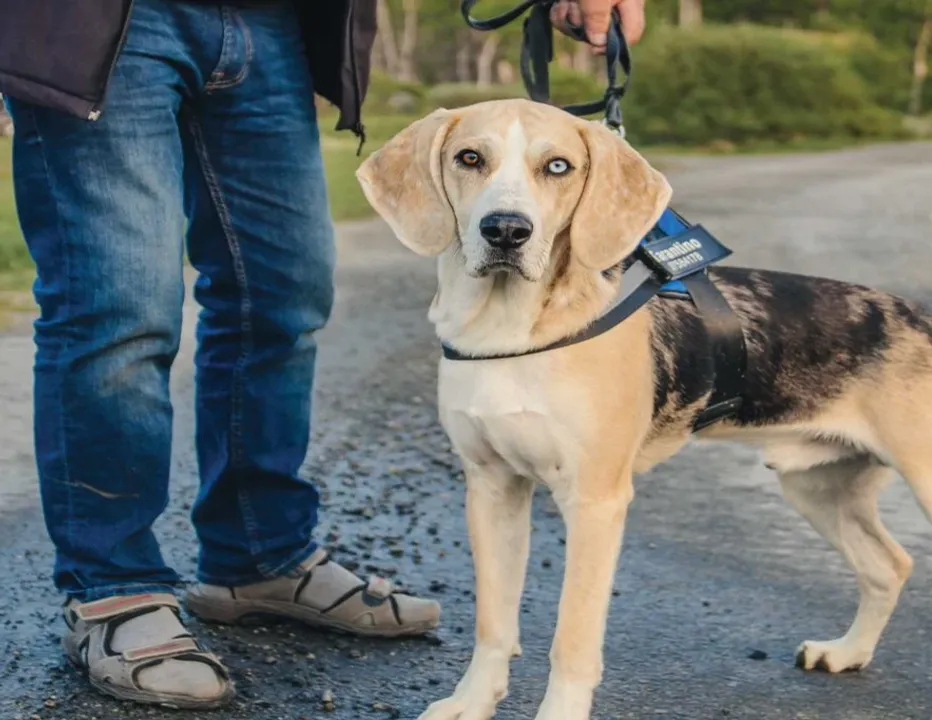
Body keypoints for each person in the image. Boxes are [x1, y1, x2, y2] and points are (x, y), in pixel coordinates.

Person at [0, 0, 645, 710]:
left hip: (272, 20)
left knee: (282, 294)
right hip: (102, 17)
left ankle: (259, 556)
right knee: (119, 307)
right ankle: (112, 589)